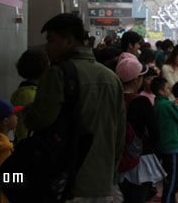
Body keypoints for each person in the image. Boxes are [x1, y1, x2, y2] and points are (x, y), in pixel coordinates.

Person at [23, 13, 125, 202]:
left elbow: (38, 120)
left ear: (68, 41)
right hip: (102, 183)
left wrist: (27, 110)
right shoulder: (111, 78)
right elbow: (119, 135)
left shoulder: (57, 74)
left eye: (50, 40)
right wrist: (110, 175)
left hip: (66, 181)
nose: (46, 47)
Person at [115, 53, 165, 203]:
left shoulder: (112, 97)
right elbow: (155, 132)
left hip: (117, 157)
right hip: (139, 159)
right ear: (136, 80)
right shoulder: (141, 101)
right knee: (137, 197)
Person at [152, 77, 178, 203]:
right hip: (171, 145)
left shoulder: (156, 104)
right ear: (161, 91)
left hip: (162, 145)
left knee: (168, 177)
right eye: (167, 88)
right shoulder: (167, 104)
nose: (169, 90)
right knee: (172, 180)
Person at [10, 49, 49, 144]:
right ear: (42, 66)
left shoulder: (28, 91)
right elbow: (24, 129)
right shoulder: (27, 95)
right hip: (30, 148)